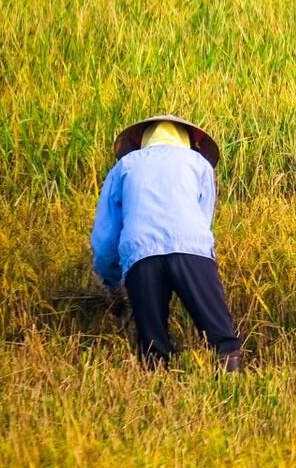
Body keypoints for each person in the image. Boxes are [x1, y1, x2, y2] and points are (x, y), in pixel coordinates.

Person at [91, 115, 243, 370]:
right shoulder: (198, 163)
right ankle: (231, 379)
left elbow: (106, 236)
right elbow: (202, 217)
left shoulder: (125, 166)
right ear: (188, 140)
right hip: (191, 248)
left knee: (153, 345)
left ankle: (158, 387)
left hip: (139, 254)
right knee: (222, 338)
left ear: (143, 139)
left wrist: (112, 282)